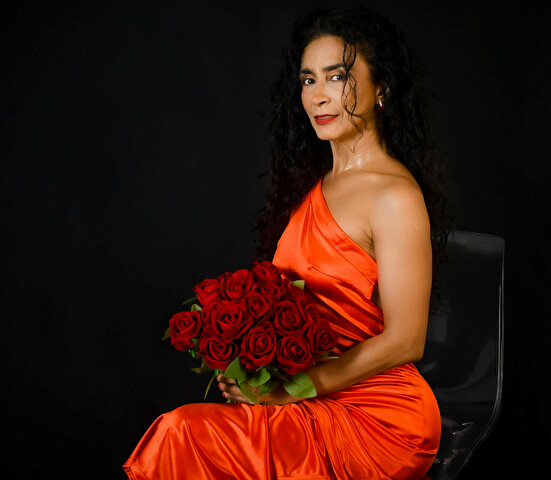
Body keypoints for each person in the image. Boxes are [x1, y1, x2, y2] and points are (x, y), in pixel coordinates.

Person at [124, 7, 450, 479]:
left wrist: (290, 390)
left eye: (337, 77)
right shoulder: (319, 187)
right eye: (308, 80)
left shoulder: (394, 196)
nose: (318, 96)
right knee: (192, 434)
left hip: (381, 420)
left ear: (381, 88)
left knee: (182, 434)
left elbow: (407, 340)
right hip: (313, 398)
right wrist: (251, 369)